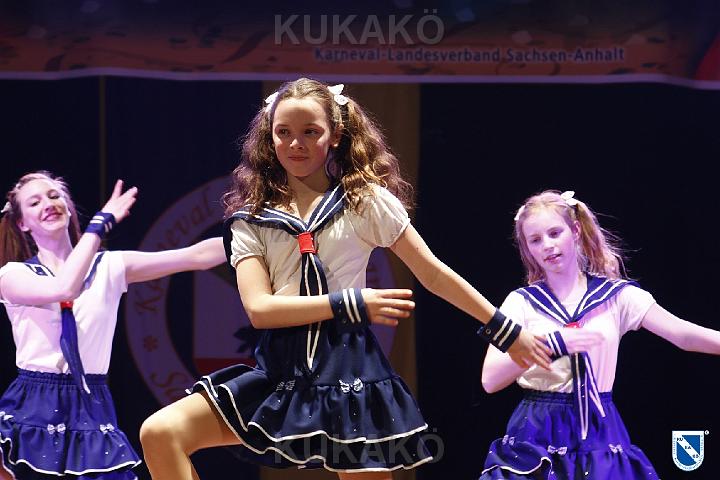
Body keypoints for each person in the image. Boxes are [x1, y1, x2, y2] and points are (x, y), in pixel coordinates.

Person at [139, 78, 551, 479]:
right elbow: (260, 310)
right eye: (283, 132)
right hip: (281, 373)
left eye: (310, 131)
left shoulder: (364, 202)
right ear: (269, 137)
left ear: (335, 135)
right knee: (160, 432)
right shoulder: (252, 219)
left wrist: (504, 329)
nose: (295, 143)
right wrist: (352, 302)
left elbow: (432, 272)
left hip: (350, 374)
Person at [478, 190, 720, 479]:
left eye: (555, 233)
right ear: (527, 248)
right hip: (537, 429)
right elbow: (490, 379)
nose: (547, 246)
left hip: (598, 427)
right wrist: (552, 344)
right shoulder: (521, 303)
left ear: (575, 231)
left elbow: (683, 334)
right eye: (535, 240)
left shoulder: (615, 297)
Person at [0, 171, 225, 480]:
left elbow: (195, 256)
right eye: (34, 202)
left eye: (54, 196)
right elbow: (65, 288)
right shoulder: (13, 275)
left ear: (68, 207)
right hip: (34, 401)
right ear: (22, 223)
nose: (48, 204)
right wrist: (98, 226)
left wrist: (256, 236)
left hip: (90, 403)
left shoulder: (109, 266)